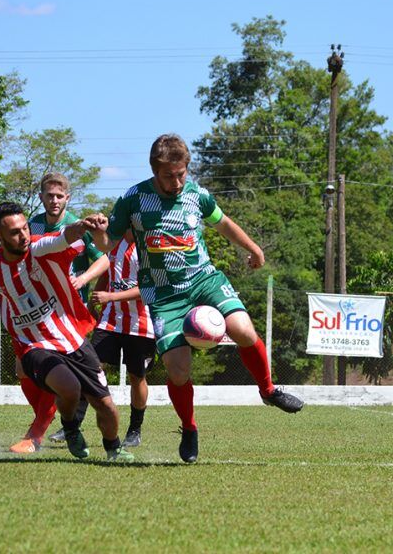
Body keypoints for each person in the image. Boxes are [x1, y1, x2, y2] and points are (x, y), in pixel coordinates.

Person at [85, 133, 303, 464]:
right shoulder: (133, 199)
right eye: (169, 175)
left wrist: (254, 249)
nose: (176, 181)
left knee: (243, 330)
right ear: (154, 170)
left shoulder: (196, 194)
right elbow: (106, 245)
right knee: (178, 370)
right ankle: (189, 428)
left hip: (204, 280)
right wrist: (101, 229)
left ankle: (269, 390)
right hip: (163, 295)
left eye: (181, 173)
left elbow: (224, 223)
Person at [0, 202, 133, 462]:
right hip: (33, 345)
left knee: (106, 405)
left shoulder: (39, 247)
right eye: (15, 232)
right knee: (69, 388)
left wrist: (82, 225)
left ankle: (113, 447)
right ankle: (70, 428)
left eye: (25, 227)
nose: (23, 235)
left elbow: (65, 235)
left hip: (72, 338)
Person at [10, 172, 109, 453]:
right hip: (34, 311)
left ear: (68, 197)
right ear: (40, 197)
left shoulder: (78, 227)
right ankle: (47, 419)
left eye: (59, 196)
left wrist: (83, 278)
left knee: (59, 371)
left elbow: (103, 259)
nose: (54, 200)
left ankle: (37, 432)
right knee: (22, 370)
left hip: (66, 314)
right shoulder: (31, 226)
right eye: (49, 195)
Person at [90, 233, 156, 448]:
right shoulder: (113, 242)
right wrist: (96, 296)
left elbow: (148, 289)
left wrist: (110, 297)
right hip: (110, 319)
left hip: (141, 323)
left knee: (137, 377)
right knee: (90, 368)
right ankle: (72, 426)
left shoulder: (149, 246)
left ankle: (135, 429)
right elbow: (108, 271)